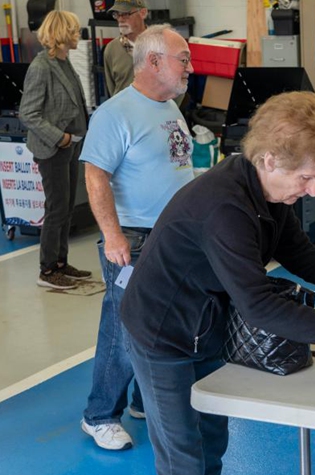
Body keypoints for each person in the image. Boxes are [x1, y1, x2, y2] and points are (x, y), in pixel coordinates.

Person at [118, 91, 315, 475]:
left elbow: (297, 252)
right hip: (163, 333)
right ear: (269, 159)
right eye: (306, 178)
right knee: (183, 457)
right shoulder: (225, 208)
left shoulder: (265, 188)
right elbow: (258, 305)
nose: (313, 191)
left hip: (204, 323)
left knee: (213, 438)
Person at [80, 24, 195, 451]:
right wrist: (112, 237)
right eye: (182, 58)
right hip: (134, 238)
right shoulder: (115, 113)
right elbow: (95, 177)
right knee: (122, 330)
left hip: (170, 236)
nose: (190, 66)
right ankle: (98, 415)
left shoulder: (169, 105)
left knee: (162, 323)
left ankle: (142, 399)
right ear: (153, 62)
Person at [18, 10, 91, 290]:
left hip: (71, 146)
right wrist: (59, 137)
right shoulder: (41, 67)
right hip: (53, 148)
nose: (78, 35)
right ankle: (47, 271)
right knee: (57, 208)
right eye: (73, 30)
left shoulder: (64, 63)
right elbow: (28, 113)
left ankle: (61, 262)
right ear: (62, 34)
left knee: (67, 206)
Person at [104, 0, 148, 97]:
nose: (120, 19)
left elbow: (176, 83)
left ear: (143, 13)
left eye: (126, 14)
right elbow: (112, 89)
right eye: (117, 15)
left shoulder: (161, 44)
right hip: (122, 111)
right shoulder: (111, 49)